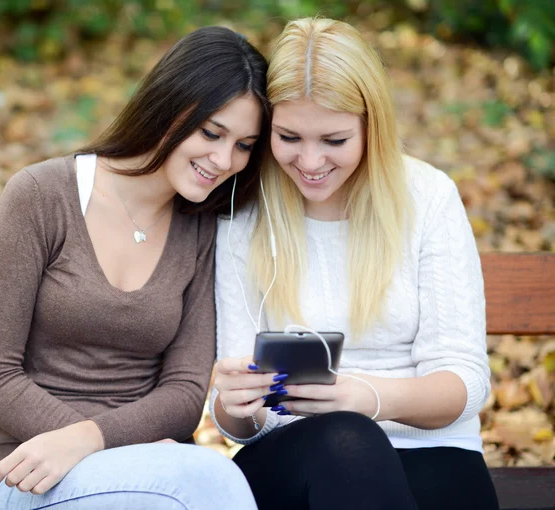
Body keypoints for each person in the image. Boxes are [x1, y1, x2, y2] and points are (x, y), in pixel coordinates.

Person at [0, 26, 269, 509]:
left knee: (206, 484)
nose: (223, 160)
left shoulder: (203, 228)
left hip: (160, 470)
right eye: (212, 133)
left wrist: (99, 440)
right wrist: (90, 443)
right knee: (213, 482)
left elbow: (185, 391)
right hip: (39, 470)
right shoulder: (42, 196)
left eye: (244, 145)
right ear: (170, 105)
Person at [211, 17, 499, 510]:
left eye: (334, 140)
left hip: (432, 447)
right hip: (294, 458)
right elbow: (242, 420)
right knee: (345, 439)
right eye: (289, 137)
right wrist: (234, 409)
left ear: (372, 127)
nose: (309, 161)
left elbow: (465, 381)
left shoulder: (427, 198)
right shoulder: (245, 215)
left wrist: (369, 399)